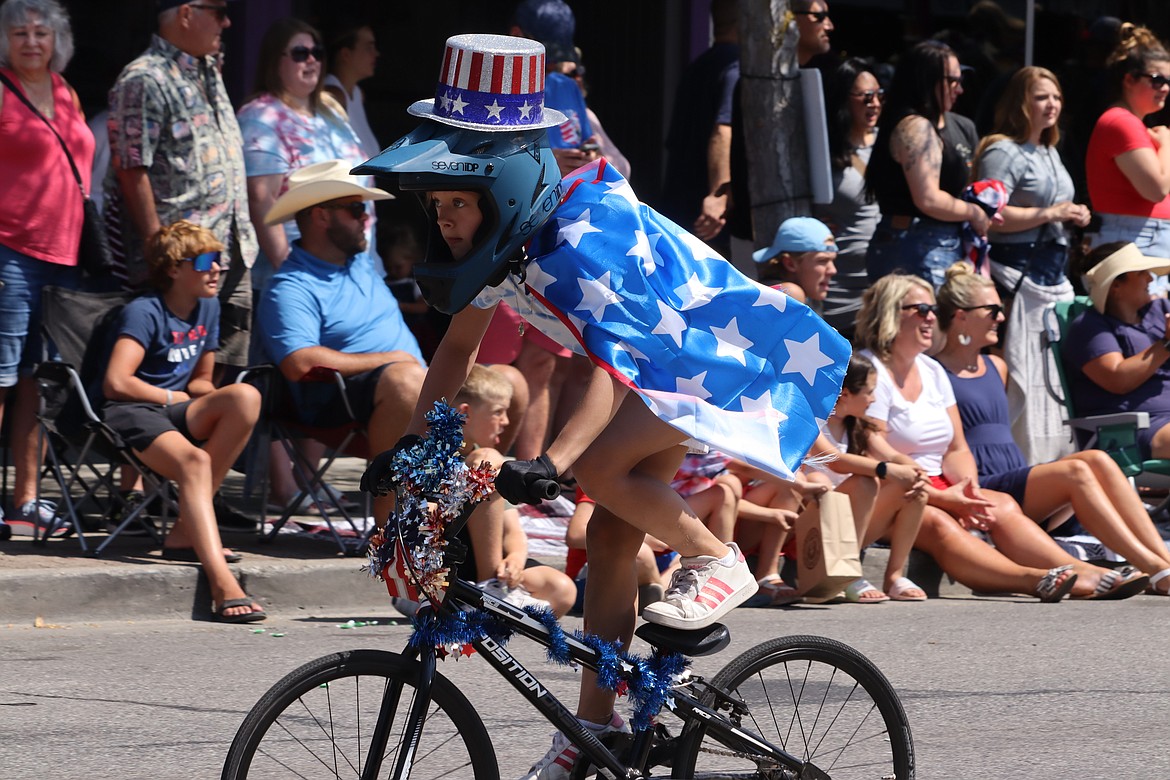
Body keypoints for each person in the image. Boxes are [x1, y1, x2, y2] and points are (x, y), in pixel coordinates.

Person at [357, 34, 849, 780]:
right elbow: (454, 358)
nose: (447, 218)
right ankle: (594, 734)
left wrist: (552, 462)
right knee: (613, 546)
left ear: (504, 184)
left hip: (706, 363)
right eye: (437, 204)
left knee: (602, 470)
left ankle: (717, 559)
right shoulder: (501, 247)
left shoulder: (575, 246)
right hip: (661, 372)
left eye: (458, 200)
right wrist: (414, 449)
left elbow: (613, 373)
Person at [856, 272, 1146, 601]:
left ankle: (1083, 570)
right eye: (921, 309)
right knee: (938, 522)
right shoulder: (870, 370)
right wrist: (946, 498)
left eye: (933, 308)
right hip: (892, 493)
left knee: (1002, 504)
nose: (932, 317)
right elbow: (873, 451)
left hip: (939, 484)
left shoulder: (931, 370)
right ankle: (1035, 579)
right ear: (891, 312)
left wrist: (968, 491)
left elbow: (956, 447)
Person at [936, 260, 1169, 595]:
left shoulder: (996, 365)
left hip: (1016, 478)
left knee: (1097, 459)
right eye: (992, 311)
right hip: (984, 484)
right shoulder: (934, 371)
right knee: (1077, 470)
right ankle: (1154, 568)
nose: (1001, 317)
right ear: (961, 316)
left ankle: (1161, 561)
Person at [101, 221, 264, 622]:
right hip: (130, 411)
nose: (217, 270)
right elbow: (116, 381)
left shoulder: (207, 306)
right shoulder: (144, 311)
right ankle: (222, 581)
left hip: (175, 409)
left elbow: (200, 381)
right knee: (196, 462)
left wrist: (215, 401)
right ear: (174, 268)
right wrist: (174, 397)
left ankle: (182, 533)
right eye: (207, 261)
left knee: (245, 397)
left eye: (220, 262)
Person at [257, 160, 426, 529]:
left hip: (413, 388)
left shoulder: (359, 263)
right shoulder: (290, 286)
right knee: (405, 381)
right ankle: (389, 535)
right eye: (355, 209)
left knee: (508, 385)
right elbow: (299, 362)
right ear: (321, 217)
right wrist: (394, 361)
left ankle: (465, 517)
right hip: (349, 406)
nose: (366, 217)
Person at [106, 0, 256, 377]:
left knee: (224, 375)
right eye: (218, 12)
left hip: (233, 249)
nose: (227, 21)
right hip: (184, 262)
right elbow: (130, 166)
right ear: (187, 14)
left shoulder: (209, 69)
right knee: (171, 374)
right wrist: (158, 246)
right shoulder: (144, 78)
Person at [0, 0, 93, 539]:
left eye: (41, 32)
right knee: (2, 377)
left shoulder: (65, 90)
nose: (32, 41)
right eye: (19, 33)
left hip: (63, 256)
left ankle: (26, 500)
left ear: (57, 39)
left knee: (40, 382)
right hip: (10, 251)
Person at [972, 66, 1091, 464]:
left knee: (1052, 380)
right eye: (1042, 96)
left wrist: (1072, 214)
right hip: (1018, 273)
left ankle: (1054, 461)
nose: (1052, 104)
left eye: (1056, 96)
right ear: (1020, 102)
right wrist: (1051, 213)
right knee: (1025, 376)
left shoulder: (1050, 150)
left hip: (1053, 276)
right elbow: (991, 213)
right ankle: (1021, 462)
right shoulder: (1003, 151)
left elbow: (1049, 209)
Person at [237, 16, 378, 300]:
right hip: (303, 280)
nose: (311, 61)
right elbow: (262, 201)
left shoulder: (330, 109)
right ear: (274, 61)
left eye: (317, 53)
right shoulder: (260, 116)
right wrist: (291, 277)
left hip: (355, 272)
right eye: (300, 54)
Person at [803, 354, 929, 602]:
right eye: (869, 392)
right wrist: (884, 469)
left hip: (848, 526)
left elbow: (893, 455)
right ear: (846, 394)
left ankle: (894, 576)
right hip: (813, 523)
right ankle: (849, 574)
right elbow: (835, 460)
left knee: (916, 490)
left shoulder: (859, 425)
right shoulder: (811, 419)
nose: (874, 399)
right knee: (865, 481)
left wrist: (917, 473)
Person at [453, 365, 576, 616]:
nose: (506, 422)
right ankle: (491, 591)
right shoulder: (440, 456)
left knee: (561, 589)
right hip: (445, 565)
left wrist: (516, 560)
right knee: (488, 459)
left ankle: (492, 599)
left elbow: (512, 529)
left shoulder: (485, 456)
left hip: (479, 566)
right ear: (465, 413)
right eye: (498, 412)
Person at [865, 41, 988, 288]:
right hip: (921, 245)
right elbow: (928, 199)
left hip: (923, 242)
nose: (960, 89)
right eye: (952, 81)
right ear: (925, 81)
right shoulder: (917, 127)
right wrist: (974, 212)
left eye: (961, 79)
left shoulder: (949, 125)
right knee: (926, 324)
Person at [1064, 241, 1170, 461]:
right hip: (1131, 430)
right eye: (1141, 272)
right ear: (1116, 286)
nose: (1151, 278)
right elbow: (1117, 379)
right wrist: (1166, 344)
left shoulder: (1159, 310)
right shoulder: (1089, 327)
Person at [1084, 26, 1170, 257]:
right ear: (1129, 80)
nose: (1165, 88)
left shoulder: (1131, 123)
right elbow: (1157, 189)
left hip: (1143, 237)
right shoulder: (1121, 122)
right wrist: (1168, 144)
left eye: (1168, 81)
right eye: (1157, 80)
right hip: (1134, 239)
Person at [662, 0, 739, 255]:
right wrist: (718, 194)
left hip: (681, 205)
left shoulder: (698, 66)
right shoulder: (735, 66)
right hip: (709, 217)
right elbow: (722, 129)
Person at [815, 57, 883, 339]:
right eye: (866, 97)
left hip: (880, 288)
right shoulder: (822, 151)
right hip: (837, 289)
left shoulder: (890, 143)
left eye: (879, 95)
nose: (875, 103)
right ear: (844, 99)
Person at [509, 0, 600, 178]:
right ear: (517, 35)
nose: (552, 65)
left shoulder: (567, 86)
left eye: (558, 55)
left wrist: (592, 155)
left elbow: (589, 143)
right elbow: (479, 160)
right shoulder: (493, 92)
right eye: (547, 55)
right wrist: (545, 162)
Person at [321, 17, 381, 160]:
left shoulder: (358, 94)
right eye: (368, 48)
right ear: (346, 54)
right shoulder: (332, 96)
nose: (376, 53)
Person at [752, 216, 838, 308]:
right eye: (822, 261)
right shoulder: (792, 293)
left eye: (833, 260)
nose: (833, 270)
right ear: (790, 264)